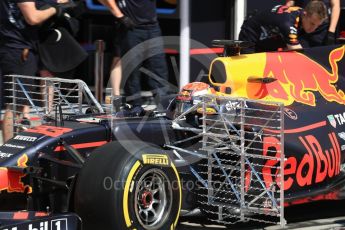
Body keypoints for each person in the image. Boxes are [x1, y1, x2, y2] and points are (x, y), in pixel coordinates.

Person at [0, 0, 69, 142]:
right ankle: (8, 151)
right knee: (15, 103)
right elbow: (33, 18)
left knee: (18, 102)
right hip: (18, 49)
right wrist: (55, 9)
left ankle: (11, 149)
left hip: (17, 47)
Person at [98, 0, 169, 115]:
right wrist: (119, 15)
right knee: (131, 70)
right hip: (131, 27)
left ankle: (164, 105)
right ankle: (134, 106)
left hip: (153, 26)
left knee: (158, 68)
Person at [239, 1, 328, 53]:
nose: (313, 29)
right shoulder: (288, 23)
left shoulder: (302, 17)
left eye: (317, 26)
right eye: (312, 24)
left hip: (268, 38)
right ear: (305, 14)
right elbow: (299, 53)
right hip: (251, 34)